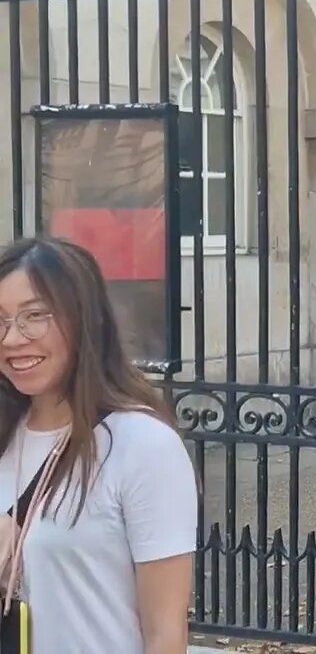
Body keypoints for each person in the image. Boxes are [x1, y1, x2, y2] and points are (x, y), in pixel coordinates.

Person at [0, 236, 198, 652]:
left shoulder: (143, 446)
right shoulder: (6, 434)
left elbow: (165, 633)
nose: (12, 338)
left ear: (83, 320)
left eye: (34, 315)